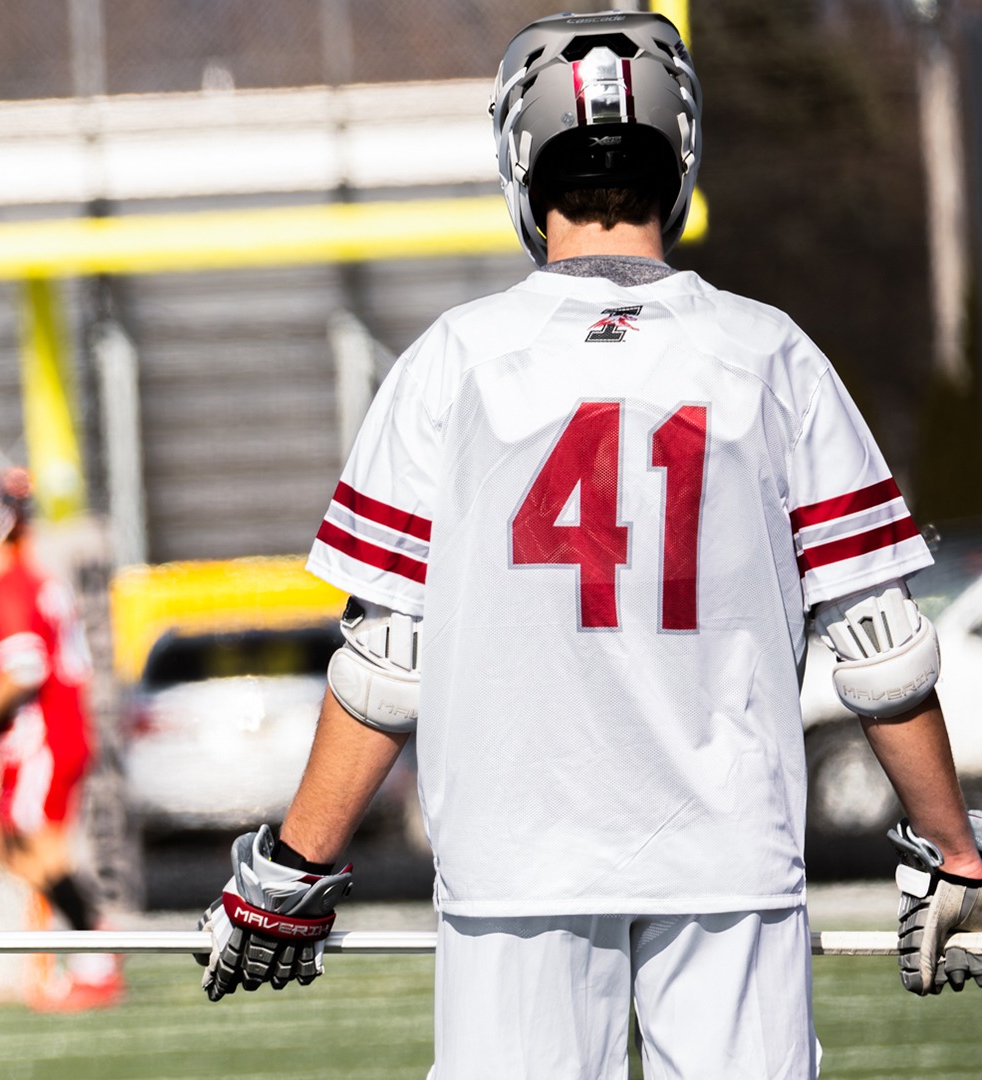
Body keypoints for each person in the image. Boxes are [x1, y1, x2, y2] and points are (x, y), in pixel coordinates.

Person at [195, 11, 982, 1078]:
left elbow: (386, 667)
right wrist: (957, 851)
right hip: (726, 856)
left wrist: (295, 863)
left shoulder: (453, 362)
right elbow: (883, 651)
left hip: (518, 867)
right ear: (681, 149)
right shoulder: (771, 354)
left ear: (522, 156)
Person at [0, 474, 122, 1011]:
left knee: (40, 848)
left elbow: (23, 668)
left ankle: (95, 955)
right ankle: (85, 949)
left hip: (45, 737)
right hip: (48, 734)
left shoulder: (11, 584)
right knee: (7, 846)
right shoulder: (28, 579)